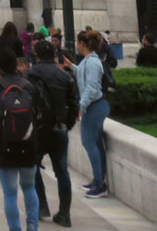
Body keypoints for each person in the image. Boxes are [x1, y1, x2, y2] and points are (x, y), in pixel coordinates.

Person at [0, 47, 44, 231]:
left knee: (10, 193)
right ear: (16, 64)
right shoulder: (29, 86)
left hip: (4, 146)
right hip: (28, 145)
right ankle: (32, 227)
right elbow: (40, 116)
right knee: (29, 188)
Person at [28, 39, 78, 227]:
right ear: (54, 55)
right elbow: (74, 104)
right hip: (59, 130)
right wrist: (67, 124)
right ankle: (65, 213)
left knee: (33, 167)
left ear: (37, 55)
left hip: (39, 130)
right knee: (62, 171)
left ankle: (42, 206)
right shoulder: (64, 76)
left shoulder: (31, 74)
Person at [74, 30, 110, 199]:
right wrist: (71, 66)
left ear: (82, 44)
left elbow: (92, 87)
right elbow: (83, 76)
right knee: (95, 143)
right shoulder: (88, 61)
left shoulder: (93, 62)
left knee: (88, 142)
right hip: (93, 106)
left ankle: (99, 183)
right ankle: (98, 179)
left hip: (95, 106)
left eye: (77, 42)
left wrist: (81, 106)